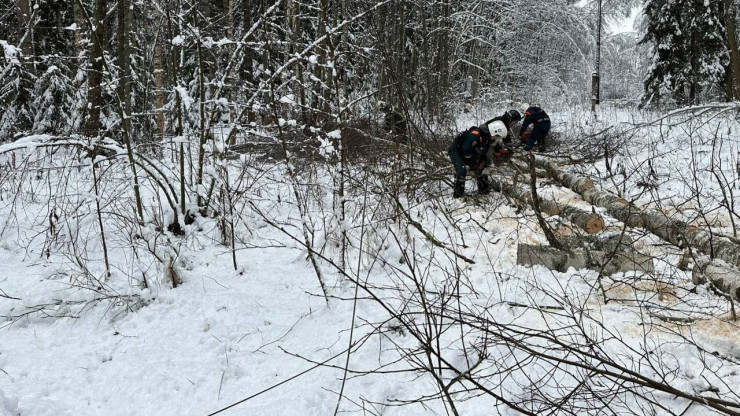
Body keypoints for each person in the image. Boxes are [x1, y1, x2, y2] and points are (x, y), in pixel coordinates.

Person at [448, 120, 508, 198]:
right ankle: (458, 196)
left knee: (482, 167)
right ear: (494, 132)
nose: (497, 139)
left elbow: (484, 151)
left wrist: (483, 163)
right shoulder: (476, 135)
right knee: (462, 171)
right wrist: (474, 165)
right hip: (456, 150)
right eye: (497, 136)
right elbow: (467, 152)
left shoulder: (487, 138)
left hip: (468, 151)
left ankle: (484, 191)